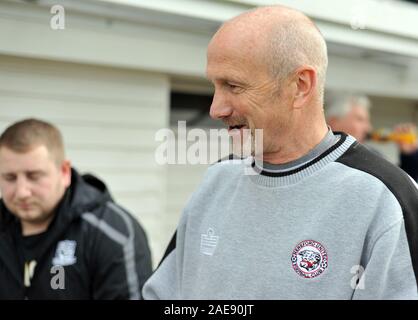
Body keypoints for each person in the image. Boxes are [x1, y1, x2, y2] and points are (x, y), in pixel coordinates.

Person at [142, 5, 418, 299]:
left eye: (233, 86)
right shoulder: (218, 180)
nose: (215, 109)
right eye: (215, 86)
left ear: (300, 85)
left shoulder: (386, 199)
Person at [0, 118, 152, 299]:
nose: (22, 192)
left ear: (64, 172)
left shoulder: (112, 233)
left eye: (34, 176)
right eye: (10, 178)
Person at [326, 94, 418, 181]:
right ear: (334, 121)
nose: (368, 128)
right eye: (360, 119)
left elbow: (400, 187)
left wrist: (409, 158)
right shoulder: (319, 155)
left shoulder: (374, 156)